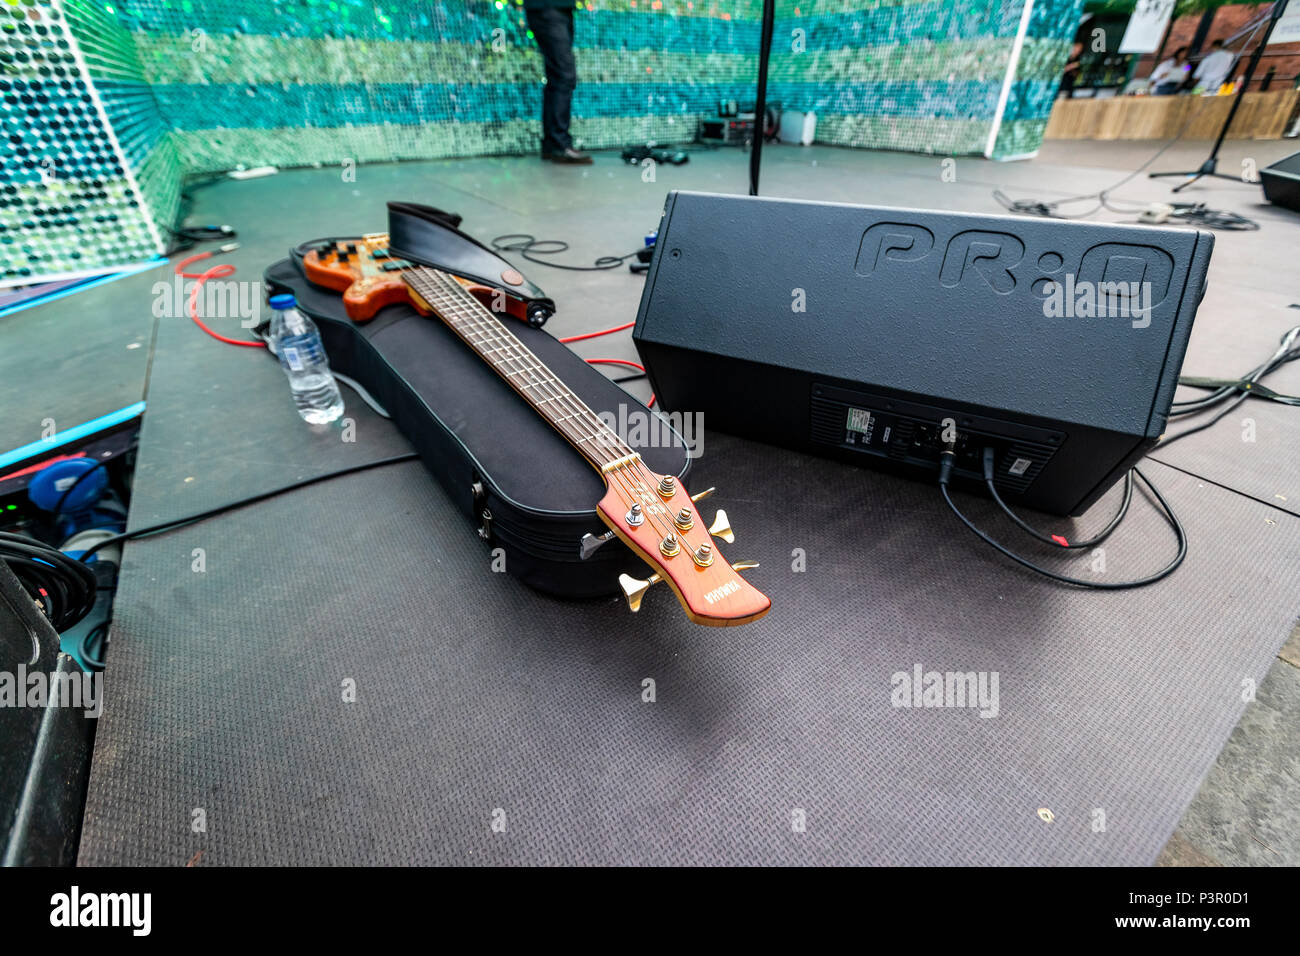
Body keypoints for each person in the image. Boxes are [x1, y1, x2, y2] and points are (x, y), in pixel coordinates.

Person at [523, 0, 592, 164]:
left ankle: (552, 145)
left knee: (556, 76)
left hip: (561, 8)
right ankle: (559, 144)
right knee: (563, 75)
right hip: (547, 7)